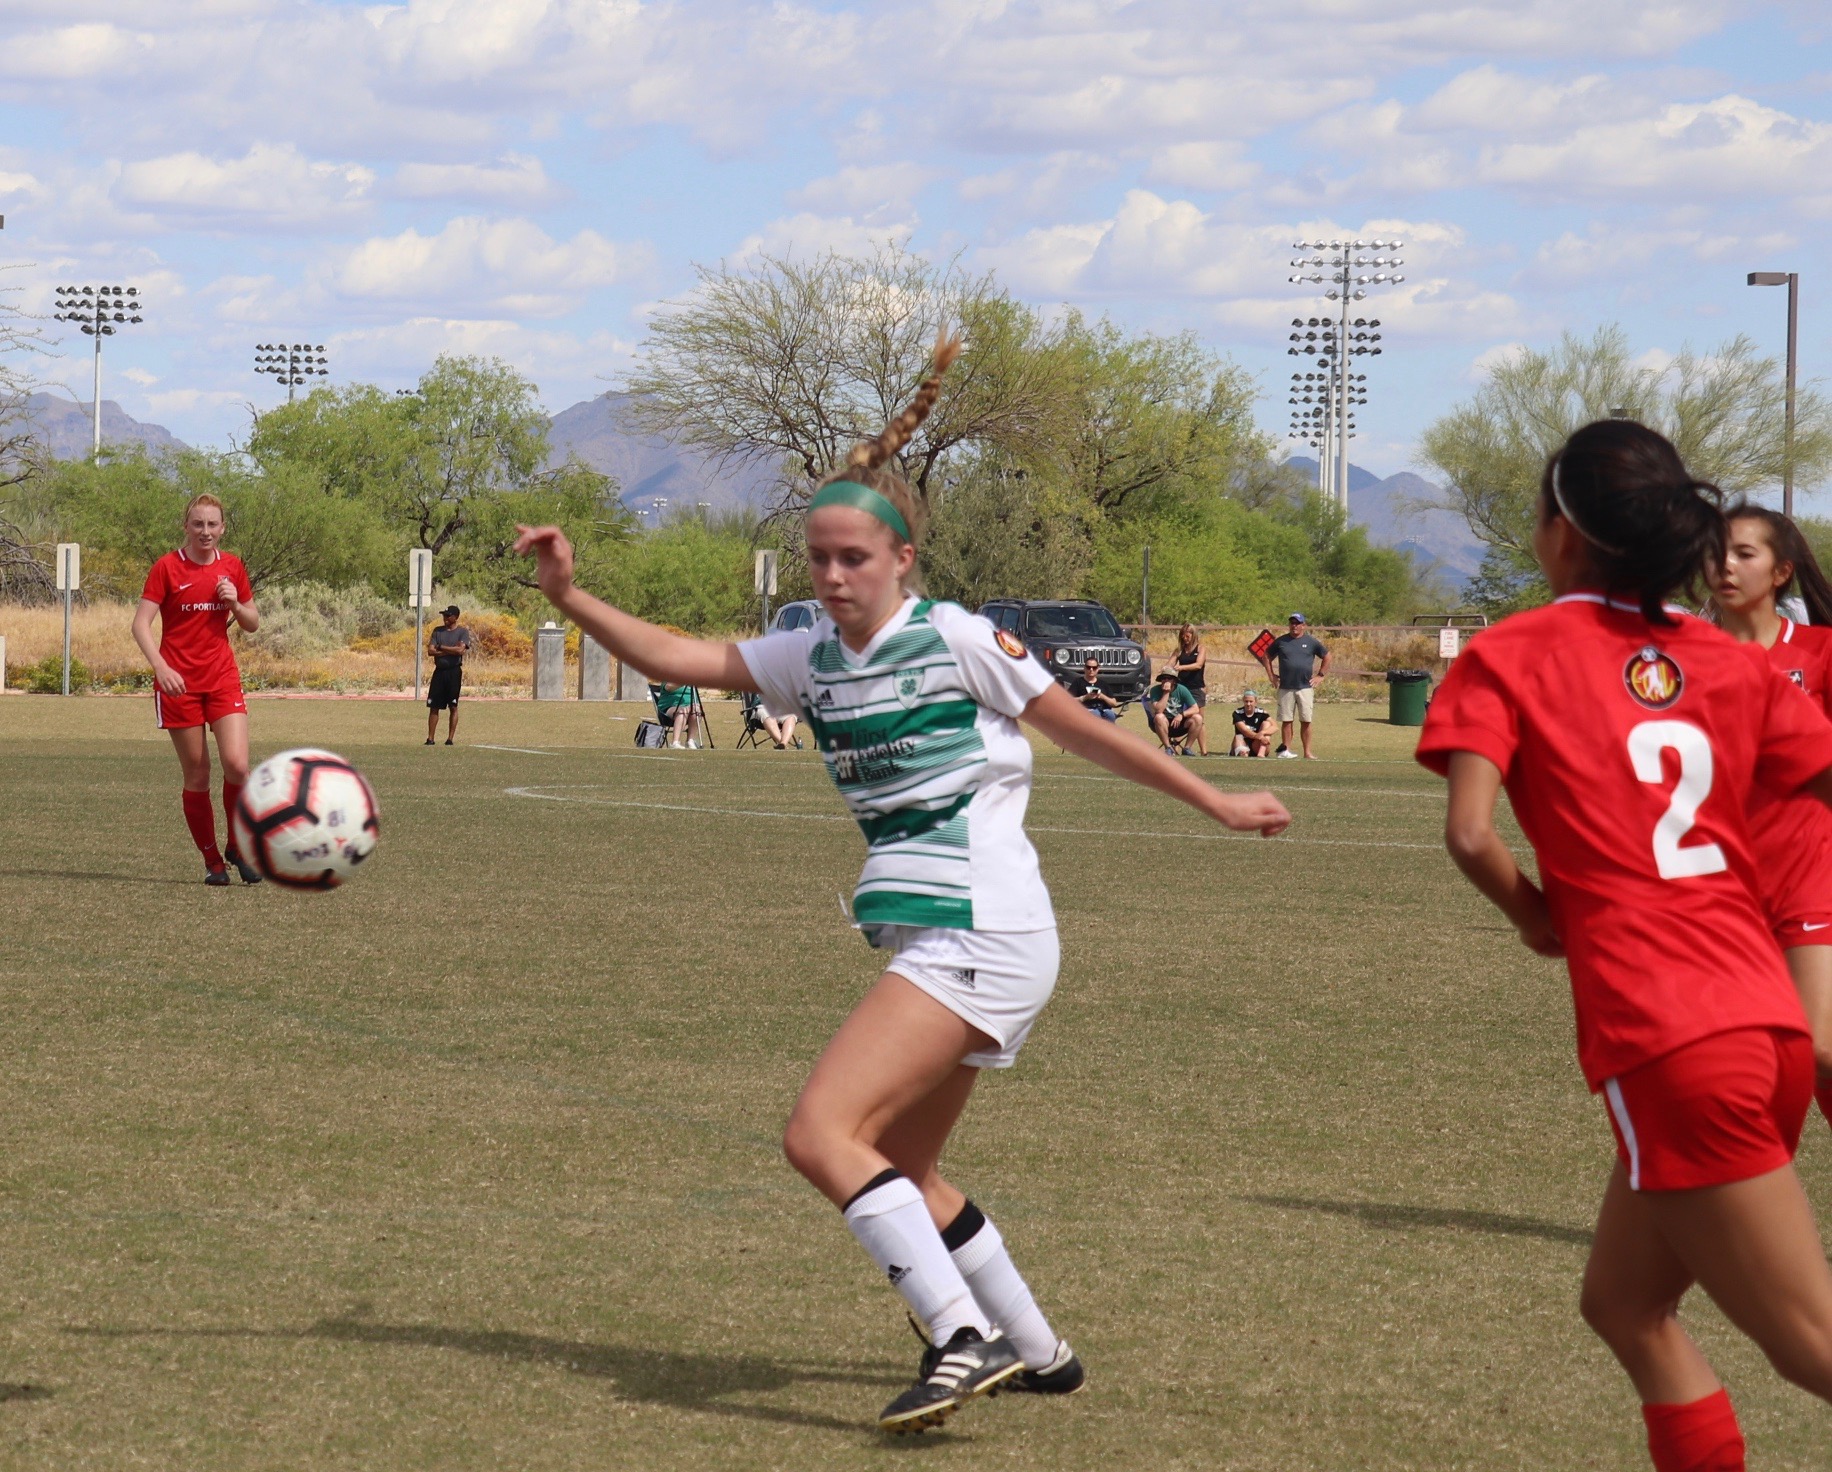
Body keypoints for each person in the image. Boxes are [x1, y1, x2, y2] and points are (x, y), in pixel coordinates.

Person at [512, 332, 1290, 1435]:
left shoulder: (957, 637)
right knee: (907, 1163)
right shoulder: (810, 658)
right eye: (818, 558)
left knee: (818, 1134)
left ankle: (954, 1333)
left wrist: (1212, 798)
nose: (832, 577)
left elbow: (1086, 732)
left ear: (901, 561)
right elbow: (678, 659)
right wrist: (570, 591)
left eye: (853, 560)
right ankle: (1036, 1346)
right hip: (958, 933)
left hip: (975, 926)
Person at [1417, 418, 1832, 1472]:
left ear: (1559, 532)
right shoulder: (1723, 661)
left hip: (1670, 1035)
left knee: (1810, 1346)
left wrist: (1532, 912)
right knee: (1623, 1304)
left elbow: (1470, 833)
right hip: (1764, 1020)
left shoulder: (1511, 650)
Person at [1710, 504, 1832, 1125]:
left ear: (1782, 571)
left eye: (1743, 553)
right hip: (1719, 889)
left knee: (1819, 1045)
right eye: (1714, 553)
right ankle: (1737, 1217)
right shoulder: (1680, 663)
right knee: (1737, 1068)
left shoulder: (1819, 651)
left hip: (1810, 877)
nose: (1724, 566)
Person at [130, 493, 262, 886]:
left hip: (221, 677)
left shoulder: (232, 567)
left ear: (222, 528)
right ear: (186, 526)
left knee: (238, 765)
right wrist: (161, 666)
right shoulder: (167, 568)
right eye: (198, 524)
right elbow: (140, 625)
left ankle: (236, 846)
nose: (206, 531)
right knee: (199, 774)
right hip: (179, 685)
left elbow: (253, 622)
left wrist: (236, 604)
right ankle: (213, 861)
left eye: (213, 524)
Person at [1262, 613, 1329, 758]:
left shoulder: (1311, 642)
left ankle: (1307, 752)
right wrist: (1271, 675)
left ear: (1303, 625)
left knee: (1306, 720)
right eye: (1292, 623)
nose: (1294, 626)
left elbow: (1327, 656)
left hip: (1305, 687)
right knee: (1287, 720)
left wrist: (1320, 675)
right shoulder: (1281, 641)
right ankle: (1285, 750)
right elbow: (1266, 656)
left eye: (1297, 623)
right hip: (1286, 687)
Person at [425, 605, 470, 746]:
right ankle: (430, 738)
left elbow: (460, 651)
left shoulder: (462, 632)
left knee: (453, 705)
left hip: (454, 672)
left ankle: (450, 739)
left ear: (455, 617)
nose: (445, 618)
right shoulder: (437, 631)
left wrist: (441, 647)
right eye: (444, 615)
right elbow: (431, 651)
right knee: (434, 706)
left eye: (448, 615)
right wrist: (449, 650)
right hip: (439, 671)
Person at [1142, 666, 1206, 755]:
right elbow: (1159, 710)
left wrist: (1181, 715)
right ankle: (1168, 747)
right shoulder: (1155, 690)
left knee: (1198, 718)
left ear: (1174, 681)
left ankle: (1187, 748)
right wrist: (1166, 692)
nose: (1166, 681)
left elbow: (1195, 708)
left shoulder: (1182, 689)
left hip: (1179, 724)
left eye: (1169, 678)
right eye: (1164, 678)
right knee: (1159, 717)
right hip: (1162, 724)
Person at [1067, 656, 1118, 721]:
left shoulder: (1103, 683)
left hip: (1103, 709)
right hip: (1085, 710)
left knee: (1110, 715)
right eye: (1088, 667)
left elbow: (1114, 703)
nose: (1091, 670)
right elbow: (1068, 701)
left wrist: (1103, 697)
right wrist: (1085, 697)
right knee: (1095, 714)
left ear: (1098, 669)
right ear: (1084, 668)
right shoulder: (1078, 682)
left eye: (1094, 668)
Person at [652, 681, 700, 748]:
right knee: (681, 711)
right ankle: (675, 742)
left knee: (696, 711)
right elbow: (668, 687)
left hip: (689, 708)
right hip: (669, 708)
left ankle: (690, 741)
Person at [1168, 623, 1207, 706]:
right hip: (1181, 687)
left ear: (1193, 635)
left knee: (1197, 717)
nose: (1185, 639)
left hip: (1196, 688)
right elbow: (1170, 664)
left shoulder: (1201, 648)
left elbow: (1198, 665)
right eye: (1183, 636)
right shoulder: (1179, 650)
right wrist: (1165, 669)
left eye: (1187, 636)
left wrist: (1181, 667)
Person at [1230, 690, 1274, 757]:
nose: (1248, 704)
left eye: (1251, 701)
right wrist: (1261, 737)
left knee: (1267, 724)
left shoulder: (1261, 712)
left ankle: (1261, 752)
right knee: (1238, 736)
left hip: (1256, 744)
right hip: (1243, 741)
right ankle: (1242, 752)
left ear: (1256, 702)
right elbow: (1245, 731)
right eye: (1246, 701)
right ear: (1243, 701)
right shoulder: (1237, 713)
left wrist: (1262, 733)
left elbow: (1275, 727)